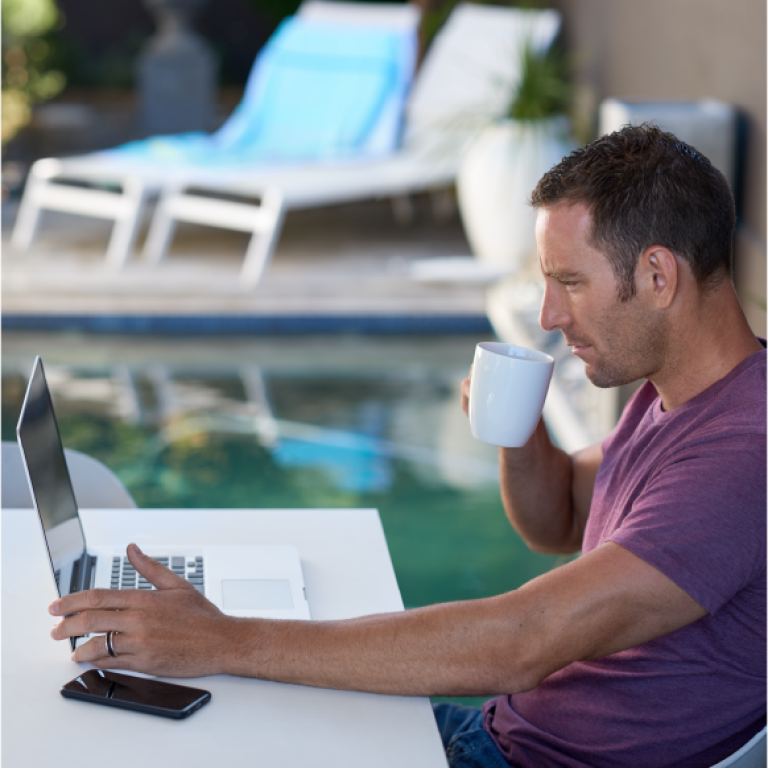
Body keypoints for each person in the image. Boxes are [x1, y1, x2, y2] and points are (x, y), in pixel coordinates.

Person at [48, 125, 768, 768]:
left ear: (657, 275)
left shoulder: (745, 453)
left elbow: (522, 639)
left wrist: (225, 640)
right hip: (504, 729)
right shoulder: (680, 394)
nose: (549, 316)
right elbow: (562, 521)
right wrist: (521, 434)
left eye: (571, 283)